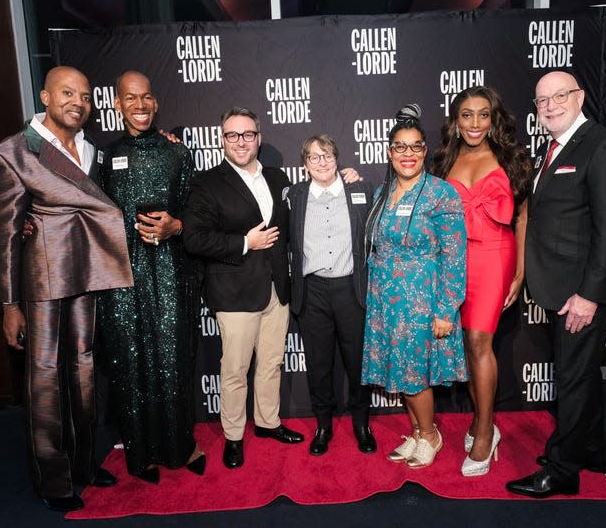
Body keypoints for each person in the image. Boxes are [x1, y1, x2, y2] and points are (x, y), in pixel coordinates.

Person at [0, 66, 133, 512]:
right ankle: (53, 481)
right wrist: (10, 305)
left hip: (86, 275)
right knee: (46, 381)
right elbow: (4, 237)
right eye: (68, 93)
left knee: (84, 372)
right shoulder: (11, 153)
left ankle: (85, 464)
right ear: (45, 97)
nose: (78, 102)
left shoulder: (91, 151)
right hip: (43, 281)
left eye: (86, 97)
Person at [506, 71, 606, 498]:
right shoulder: (554, 147)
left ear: (580, 97)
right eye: (542, 100)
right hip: (558, 288)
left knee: (573, 379)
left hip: (581, 293)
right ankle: (592, 451)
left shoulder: (604, 146)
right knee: (581, 375)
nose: (550, 106)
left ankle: (562, 472)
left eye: (560, 96)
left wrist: (589, 295)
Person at [96, 71, 204, 484]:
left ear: (155, 103)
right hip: (122, 277)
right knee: (131, 363)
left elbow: (196, 211)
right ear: (118, 105)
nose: (139, 105)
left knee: (175, 358)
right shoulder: (103, 158)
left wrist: (175, 226)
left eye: (145, 98)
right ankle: (140, 455)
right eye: (130, 98)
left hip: (172, 271)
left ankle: (181, 446)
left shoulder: (178, 153)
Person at [181, 107, 304, 469]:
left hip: (276, 288)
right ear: (222, 140)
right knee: (234, 369)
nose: (241, 141)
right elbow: (194, 239)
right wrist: (245, 242)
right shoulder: (207, 183)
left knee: (271, 363)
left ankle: (267, 422)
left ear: (259, 138)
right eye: (233, 135)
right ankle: (233, 436)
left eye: (248, 134)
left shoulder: (279, 179)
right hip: (233, 292)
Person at [431, 86, 531, 476]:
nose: (475, 123)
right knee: (463, 348)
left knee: (477, 341)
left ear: (494, 119)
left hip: (495, 256)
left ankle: (487, 431)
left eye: (483, 114)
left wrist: (520, 272)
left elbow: (522, 217)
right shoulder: (444, 160)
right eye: (466, 115)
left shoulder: (510, 159)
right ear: (456, 121)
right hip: (454, 262)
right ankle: (478, 418)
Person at [361, 104, 468, 468]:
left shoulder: (441, 194)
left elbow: (455, 257)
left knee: (413, 375)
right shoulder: (381, 193)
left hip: (422, 302)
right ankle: (419, 433)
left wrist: (445, 310)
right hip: (386, 302)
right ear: (389, 152)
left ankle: (431, 435)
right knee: (402, 374)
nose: (408, 154)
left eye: (416, 146)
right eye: (400, 147)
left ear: (425, 150)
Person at [286, 135, 376, 456]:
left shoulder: (360, 190)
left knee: (357, 363)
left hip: (350, 289)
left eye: (327, 156)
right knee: (319, 363)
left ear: (337, 159)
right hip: (312, 292)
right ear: (305, 164)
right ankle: (323, 426)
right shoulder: (294, 196)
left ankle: (361, 424)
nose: (322, 163)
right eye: (314, 157)